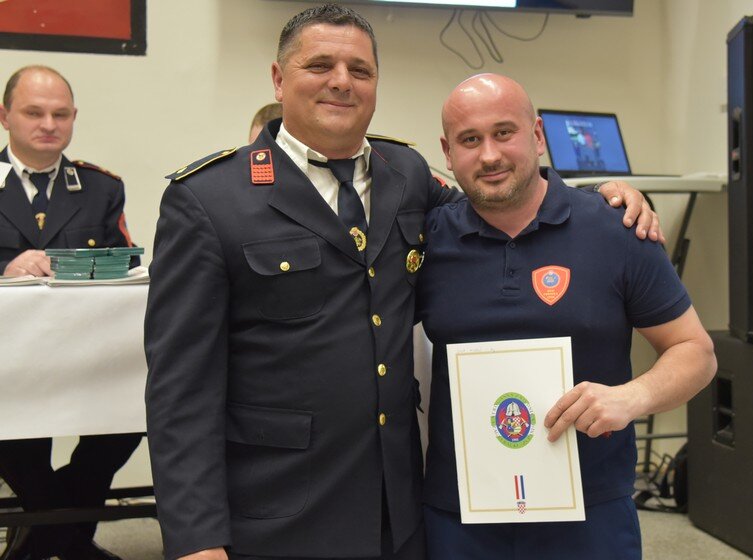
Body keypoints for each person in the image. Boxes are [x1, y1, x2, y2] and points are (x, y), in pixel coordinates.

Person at [144, 5, 659, 560]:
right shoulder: (208, 199)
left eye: (360, 70)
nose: (342, 81)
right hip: (279, 511)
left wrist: (599, 200)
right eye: (319, 65)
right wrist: (197, 540)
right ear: (278, 78)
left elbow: (500, 203)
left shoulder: (405, 173)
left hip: (398, 507)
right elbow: (181, 391)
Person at [416, 73, 717, 559]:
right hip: (460, 515)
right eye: (470, 140)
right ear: (448, 154)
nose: (489, 155)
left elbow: (696, 352)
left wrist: (631, 397)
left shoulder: (616, 229)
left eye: (504, 132)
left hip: (591, 513)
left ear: (537, 136)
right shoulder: (425, 243)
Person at [0, 66, 143, 560]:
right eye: (34, 112)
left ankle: (43, 537)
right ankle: (74, 546)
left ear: (74, 117)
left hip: (86, 356)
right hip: (7, 362)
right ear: (5, 116)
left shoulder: (102, 188)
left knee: (134, 413)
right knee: (12, 435)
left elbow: (124, 264)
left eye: (61, 114)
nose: (49, 124)